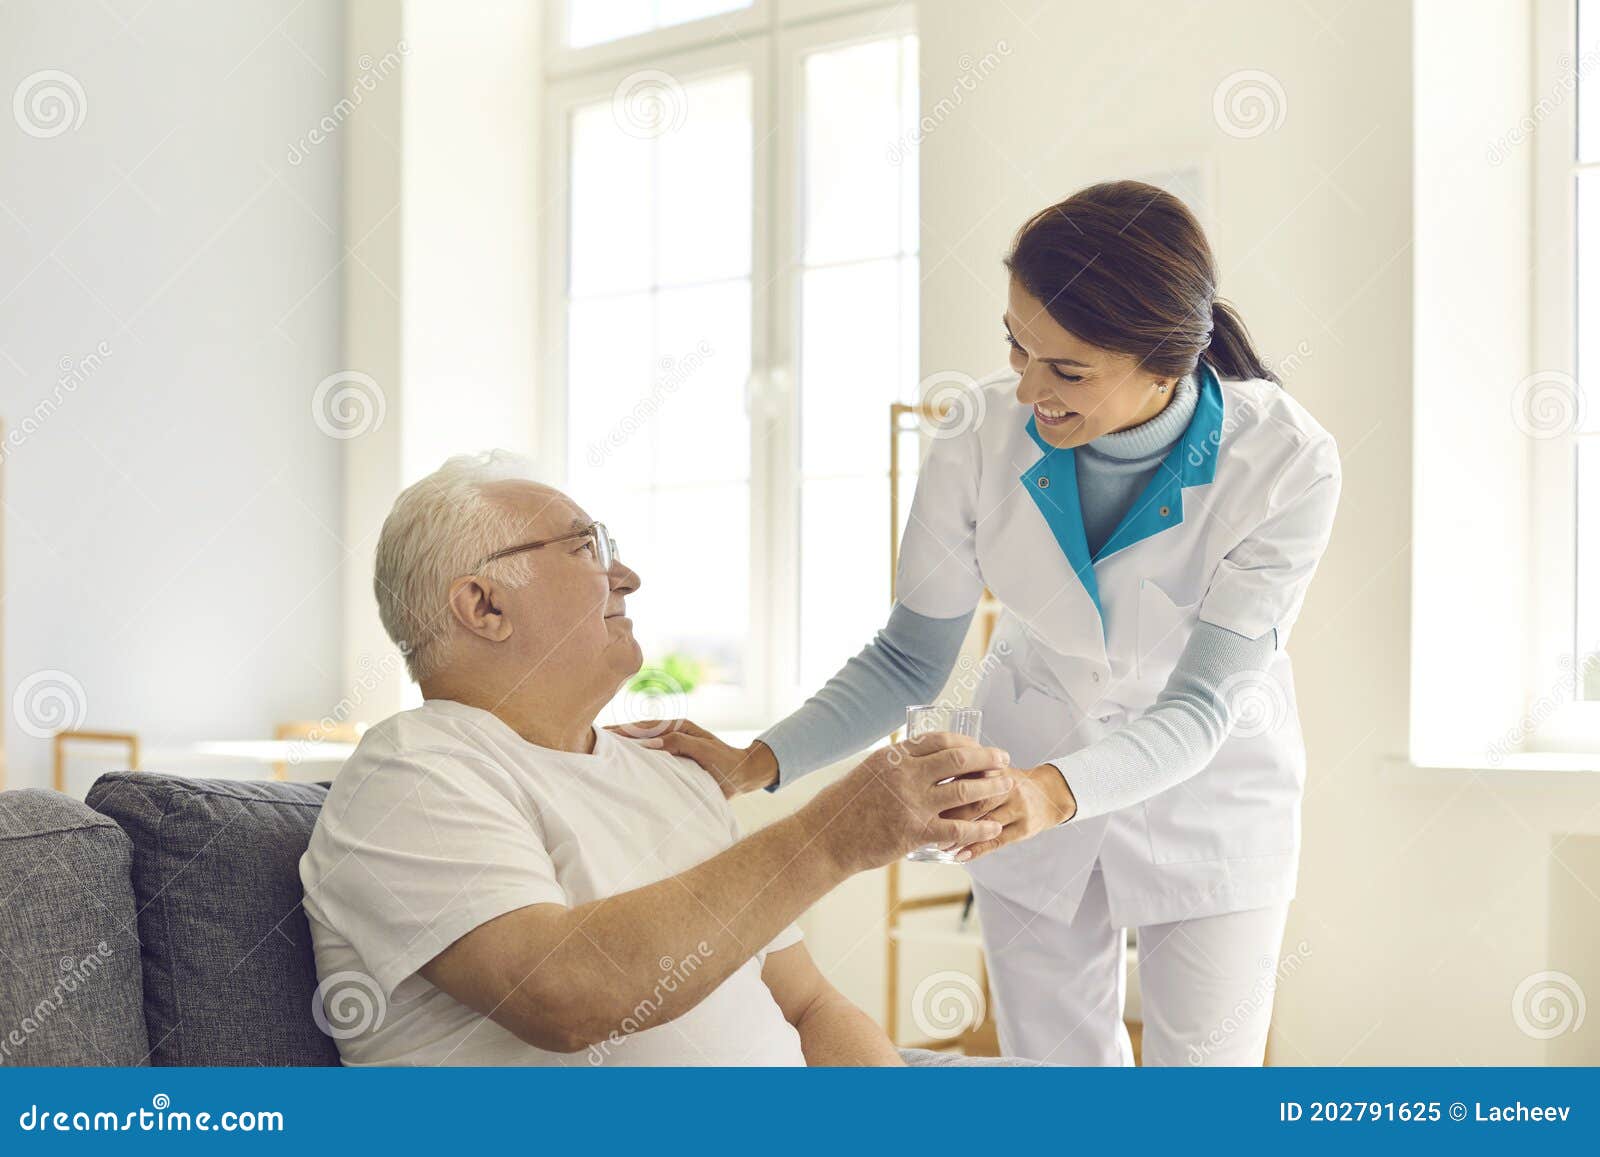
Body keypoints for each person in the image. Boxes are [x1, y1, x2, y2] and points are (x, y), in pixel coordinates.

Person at [649, 181, 1342, 1066]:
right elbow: (908, 658)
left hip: (1209, 790)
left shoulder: (1282, 461)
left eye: (1067, 370)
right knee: (1055, 1090)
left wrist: (1050, 790)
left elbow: (1202, 705)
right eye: (1016, 346)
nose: (1026, 386)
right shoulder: (979, 432)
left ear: (1163, 365)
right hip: (1020, 763)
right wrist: (757, 763)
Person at [298, 454, 1011, 1066]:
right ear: (483, 605)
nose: (627, 575)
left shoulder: (670, 772)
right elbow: (564, 994)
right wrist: (836, 832)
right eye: (587, 548)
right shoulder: (412, 773)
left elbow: (811, 1005)